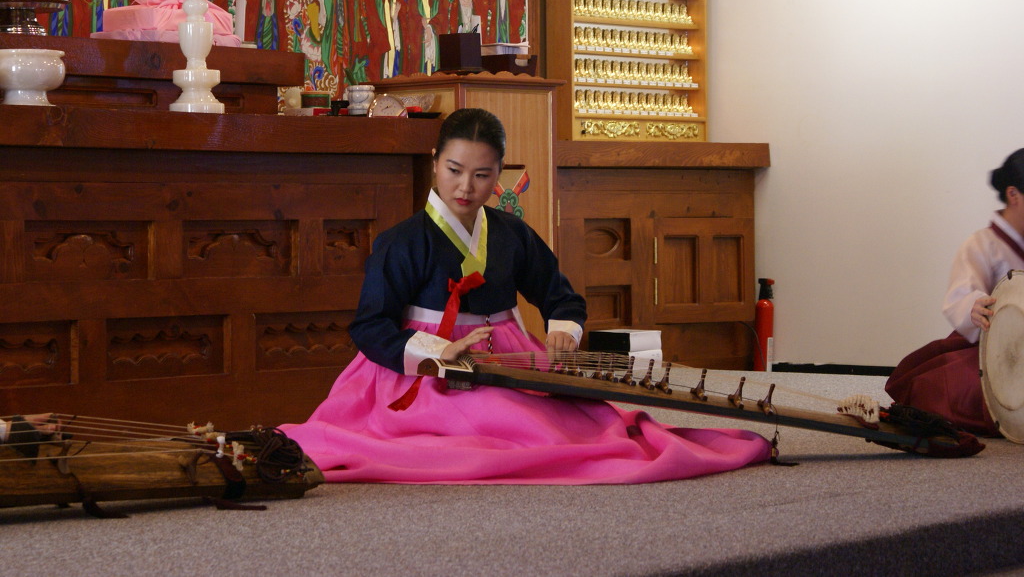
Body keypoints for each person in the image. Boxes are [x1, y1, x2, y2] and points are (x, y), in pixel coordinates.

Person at [280, 108, 770, 484]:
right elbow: (370, 327)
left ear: (498, 174)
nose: (465, 187)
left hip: (506, 355)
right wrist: (438, 350)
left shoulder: (511, 234)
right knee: (503, 429)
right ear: (434, 163)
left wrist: (563, 331)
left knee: (570, 423)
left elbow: (560, 296)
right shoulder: (401, 242)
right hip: (422, 370)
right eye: (454, 170)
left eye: (482, 175)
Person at [886, 149, 1024, 435]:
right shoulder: (983, 243)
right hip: (993, 349)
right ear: (1014, 194)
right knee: (952, 390)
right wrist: (975, 306)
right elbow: (962, 294)